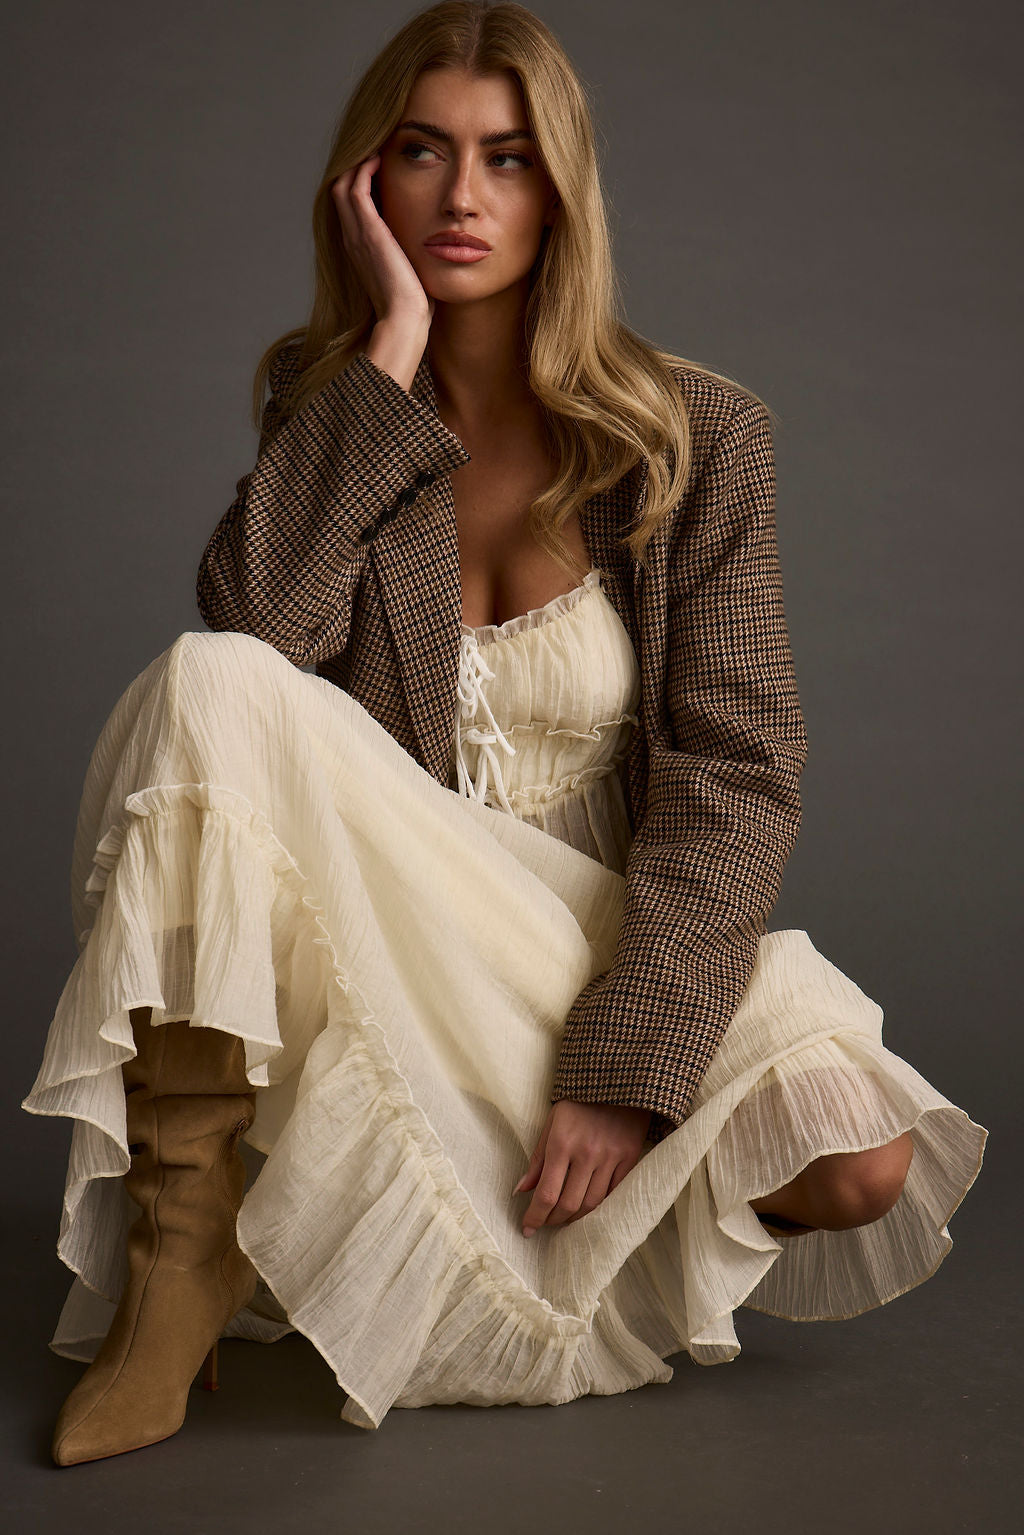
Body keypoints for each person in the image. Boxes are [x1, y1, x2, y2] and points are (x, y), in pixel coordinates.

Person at [23, 0, 987, 1468]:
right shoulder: (335, 407)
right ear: (368, 182)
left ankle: (517, 1195)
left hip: (586, 945)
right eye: (423, 153)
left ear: (563, 189)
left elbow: (737, 775)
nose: (462, 196)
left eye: (509, 158)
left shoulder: (692, 436)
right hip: (387, 943)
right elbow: (257, 628)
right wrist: (391, 349)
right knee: (209, 678)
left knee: (858, 1159)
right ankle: (182, 1248)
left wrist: (624, 1063)